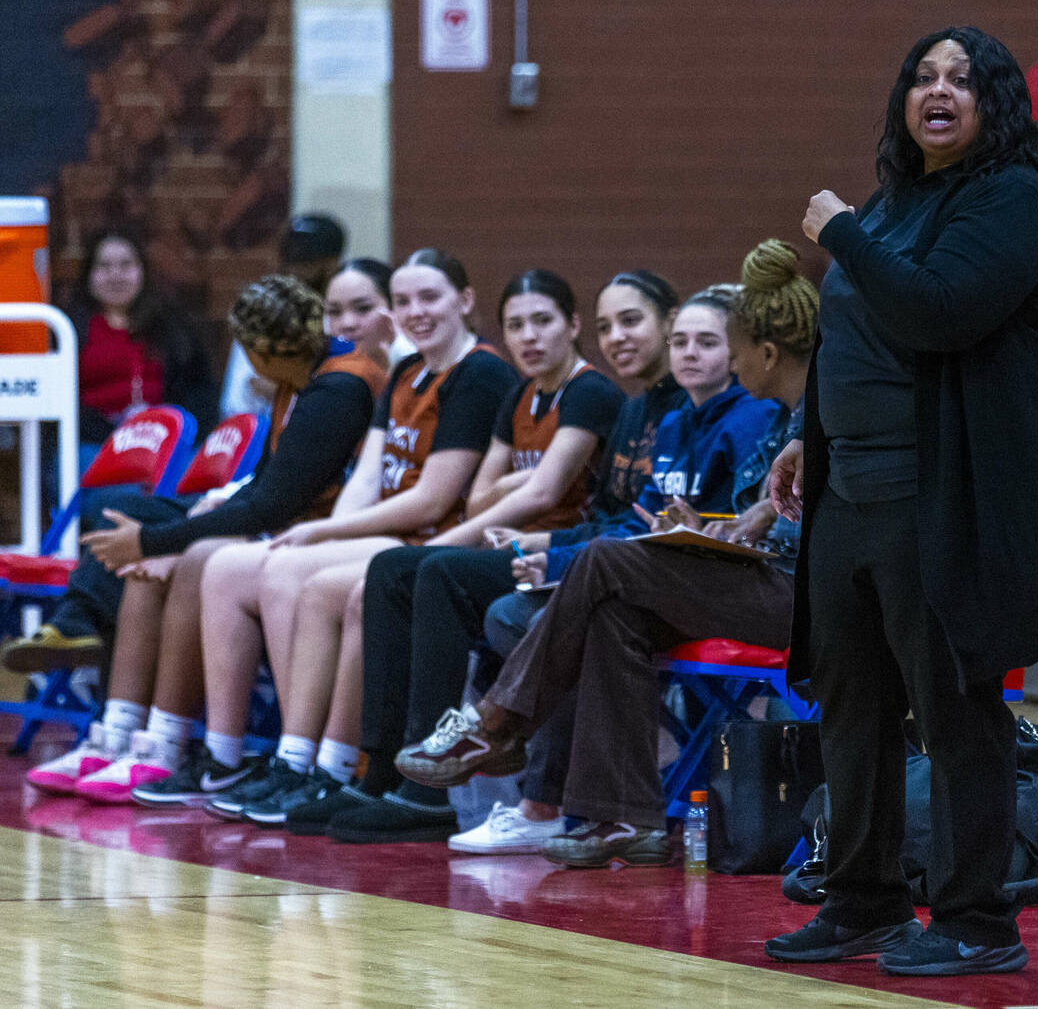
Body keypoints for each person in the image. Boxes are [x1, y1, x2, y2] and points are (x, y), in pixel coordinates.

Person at [752, 28, 1038, 976]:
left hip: (943, 491)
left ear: (994, 103)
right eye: (922, 77)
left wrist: (844, 234)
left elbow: (937, 311)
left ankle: (977, 921)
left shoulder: (1014, 200)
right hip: (849, 486)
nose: (937, 91)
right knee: (851, 706)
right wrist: (801, 438)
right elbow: (854, 341)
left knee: (955, 711)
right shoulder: (895, 201)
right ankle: (860, 900)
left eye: (961, 79)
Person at [393, 242, 815, 871]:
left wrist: (742, 532)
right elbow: (758, 519)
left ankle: (496, 722)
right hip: (764, 582)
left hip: (810, 602)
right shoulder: (783, 417)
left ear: (764, 353)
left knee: (601, 563)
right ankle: (620, 818)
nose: (714, 359)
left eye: (723, 343)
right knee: (614, 612)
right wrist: (720, 531)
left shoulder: (812, 417)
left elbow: (808, 538)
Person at [275, 269, 684, 842]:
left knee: (430, 570)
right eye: (516, 325)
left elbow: (542, 492)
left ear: (570, 327)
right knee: (398, 570)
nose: (529, 337)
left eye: (544, 321)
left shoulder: (595, 392)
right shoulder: (529, 393)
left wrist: (507, 525)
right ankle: (385, 770)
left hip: (561, 553)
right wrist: (508, 503)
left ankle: (430, 788)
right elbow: (483, 493)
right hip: (548, 549)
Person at [130, 250, 518, 813]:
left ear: (465, 301)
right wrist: (328, 532)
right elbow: (366, 479)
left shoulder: (478, 372)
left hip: (434, 540)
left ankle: (324, 764)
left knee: (292, 573)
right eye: (404, 300)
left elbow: (432, 500)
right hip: (387, 530)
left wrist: (323, 535)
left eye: (429, 297)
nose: (416, 311)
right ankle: (231, 755)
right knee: (226, 568)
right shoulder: (407, 373)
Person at [23, 273, 390, 801]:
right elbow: (266, 486)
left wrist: (160, 541)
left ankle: (171, 746)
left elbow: (274, 504)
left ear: (261, 351)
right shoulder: (301, 378)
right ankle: (118, 734)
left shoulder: (340, 386)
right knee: (127, 511)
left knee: (183, 554)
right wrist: (171, 530)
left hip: (321, 536)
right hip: (288, 521)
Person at [69, 227, 220, 457]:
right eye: (104, 266)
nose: (116, 275)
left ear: (143, 272)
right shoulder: (68, 329)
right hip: (95, 445)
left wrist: (165, 429)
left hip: (166, 442)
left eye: (126, 265)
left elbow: (201, 393)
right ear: (89, 275)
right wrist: (116, 433)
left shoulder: (174, 324)